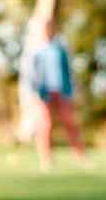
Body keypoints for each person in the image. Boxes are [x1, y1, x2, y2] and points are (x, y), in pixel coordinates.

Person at [19, 16, 88, 171]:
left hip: (62, 91)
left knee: (70, 123)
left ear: (53, 30)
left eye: (50, 28)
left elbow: (68, 71)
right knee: (45, 125)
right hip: (44, 93)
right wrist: (33, 93)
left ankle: (80, 157)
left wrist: (72, 90)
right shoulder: (36, 50)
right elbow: (31, 74)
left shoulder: (60, 49)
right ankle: (46, 160)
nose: (47, 31)